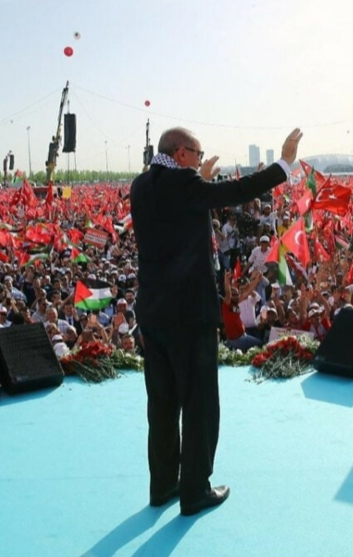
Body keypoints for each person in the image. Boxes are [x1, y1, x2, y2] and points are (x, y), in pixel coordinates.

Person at [130, 126, 302, 516]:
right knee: (199, 404)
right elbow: (237, 191)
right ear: (181, 153)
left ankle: (163, 485)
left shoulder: (141, 185)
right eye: (197, 153)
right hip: (189, 315)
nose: (200, 159)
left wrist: (199, 180)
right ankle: (195, 490)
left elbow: (177, 208)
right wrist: (284, 163)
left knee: (162, 404)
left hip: (153, 313)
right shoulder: (185, 184)